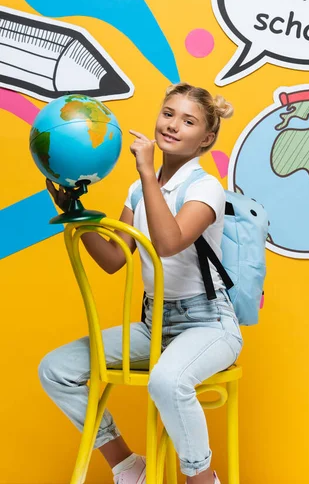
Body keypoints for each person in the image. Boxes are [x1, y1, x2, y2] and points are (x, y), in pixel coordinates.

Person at [41, 83, 244, 484]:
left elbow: (168, 244)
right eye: (168, 113)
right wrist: (74, 212)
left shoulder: (205, 189)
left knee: (168, 380)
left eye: (188, 121)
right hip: (155, 326)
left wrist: (148, 172)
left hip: (208, 324)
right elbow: (115, 260)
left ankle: (202, 480)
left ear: (206, 139)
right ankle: (128, 465)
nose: (172, 125)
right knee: (56, 369)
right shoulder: (139, 190)